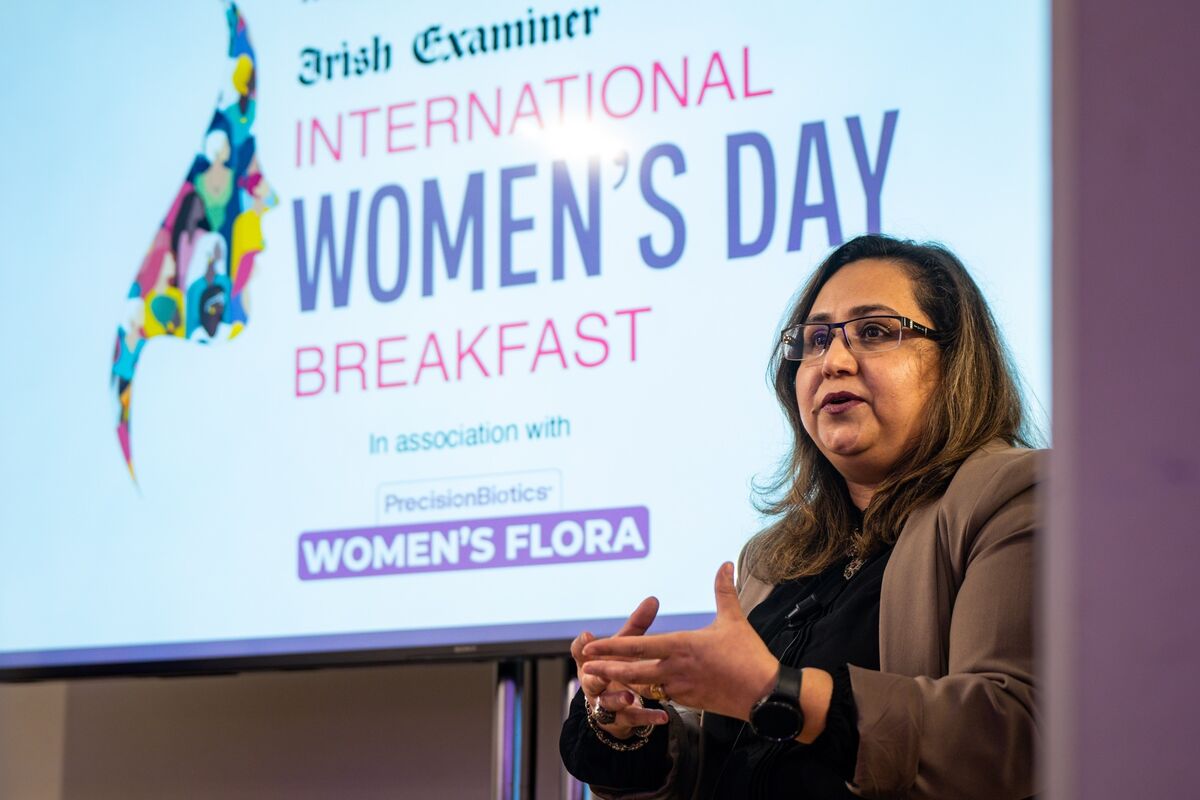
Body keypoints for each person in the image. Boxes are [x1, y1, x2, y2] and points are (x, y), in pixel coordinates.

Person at [560, 234, 1042, 799]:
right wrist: (632, 721)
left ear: (954, 361)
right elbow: (724, 761)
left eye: (875, 331)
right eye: (815, 340)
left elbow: (1010, 732)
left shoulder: (1015, 494)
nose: (833, 361)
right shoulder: (774, 554)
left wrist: (779, 691)